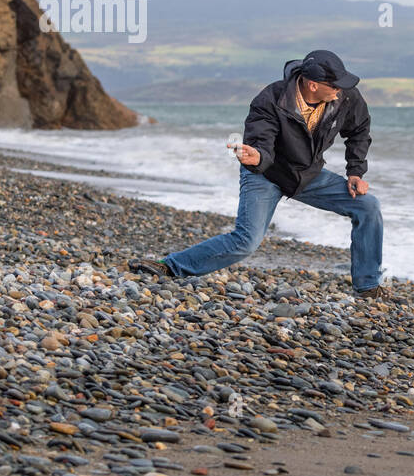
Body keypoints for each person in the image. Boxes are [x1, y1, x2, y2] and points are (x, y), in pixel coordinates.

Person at [129, 49, 389, 300]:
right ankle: (170, 265)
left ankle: (367, 286)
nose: (340, 89)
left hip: (307, 175)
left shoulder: (344, 97)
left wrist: (355, 171)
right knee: (246, 241)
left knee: (367, 206)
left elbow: (359, 130)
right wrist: (258, 157)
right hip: (266, 173)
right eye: (334, 84)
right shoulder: (271, 99)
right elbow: (261, 142)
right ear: (312, 84)